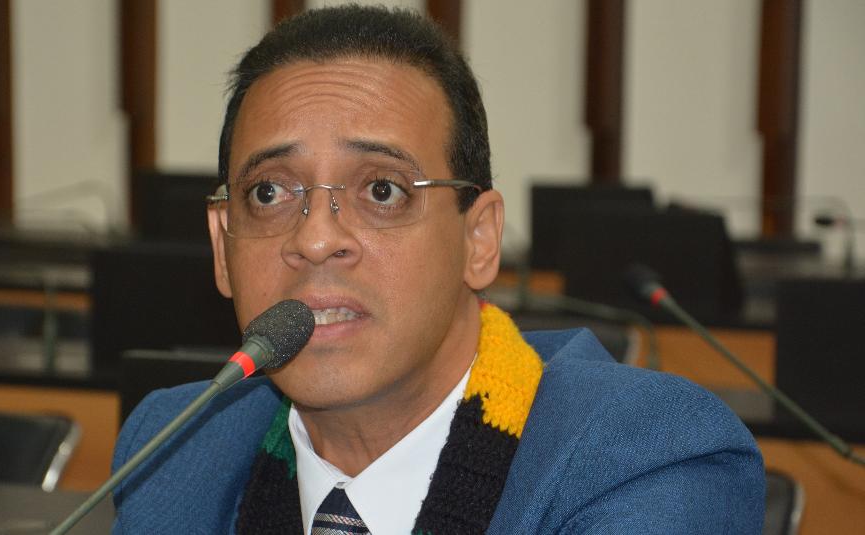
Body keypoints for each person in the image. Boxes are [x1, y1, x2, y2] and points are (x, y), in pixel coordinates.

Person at [112, 5, 765, 534]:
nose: (315, 239)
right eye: (268, 191)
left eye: (382, 190)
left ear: (478, 239)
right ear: (222, 245)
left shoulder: (644, 458)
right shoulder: (173, 449)